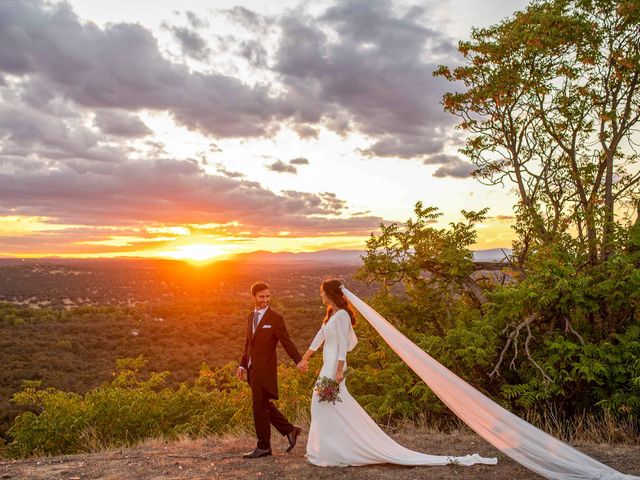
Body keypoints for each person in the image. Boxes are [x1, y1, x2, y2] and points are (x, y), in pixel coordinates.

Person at [297, 279, 497, 468]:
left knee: (321, 404)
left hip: (334, 366)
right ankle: (329, 449)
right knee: (330, 406)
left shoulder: (341, 317)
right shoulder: (331, 314)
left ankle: (332, 450)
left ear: (330, 293)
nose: (320, 295)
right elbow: (319, 336)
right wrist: (305, 358)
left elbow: (342, 345)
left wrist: (339, 370)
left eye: (322, 292)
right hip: (327, 365)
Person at [237, 282, 303, 459]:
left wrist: (298, 360)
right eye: (261, 297)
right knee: (264, 405)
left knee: (258, 407)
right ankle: (290, 430)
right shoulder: (251, 317)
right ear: (253, 297)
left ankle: (264, 447)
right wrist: (242, 365)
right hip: (251, 370)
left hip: (265, 371)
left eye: (267, 296)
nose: (265, 300)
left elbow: (287, 342)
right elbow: (248, 344)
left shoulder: (275, 319)